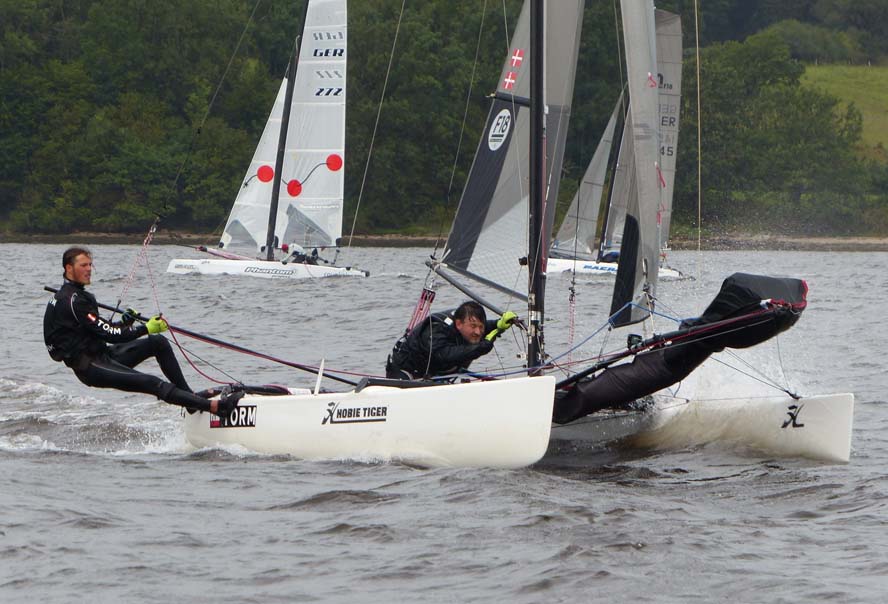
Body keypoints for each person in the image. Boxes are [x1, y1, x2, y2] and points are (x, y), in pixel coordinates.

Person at [43, 247, 242, 417]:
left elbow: (101, 330)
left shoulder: (76, 296)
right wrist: (144, 328)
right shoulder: (72, 300)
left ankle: (190, 399)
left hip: (103, 355)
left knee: (157, 342)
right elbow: (109, 333)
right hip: (91, 367)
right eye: (83, 265)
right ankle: (216, 408)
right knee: (152, 382)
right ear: (69, 268)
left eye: (90, 265)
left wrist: (125, 322)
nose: (89, 270)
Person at [385, 300, 518, 380]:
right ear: (459, 324)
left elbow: (478, 328)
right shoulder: (436, 329)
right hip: (405, 372)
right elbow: (445, 354)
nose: (478, 332)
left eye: (480, 327)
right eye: (473, 326)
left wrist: (498, 324)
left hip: (434, 375)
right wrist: (481, 348)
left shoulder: (466, 326)